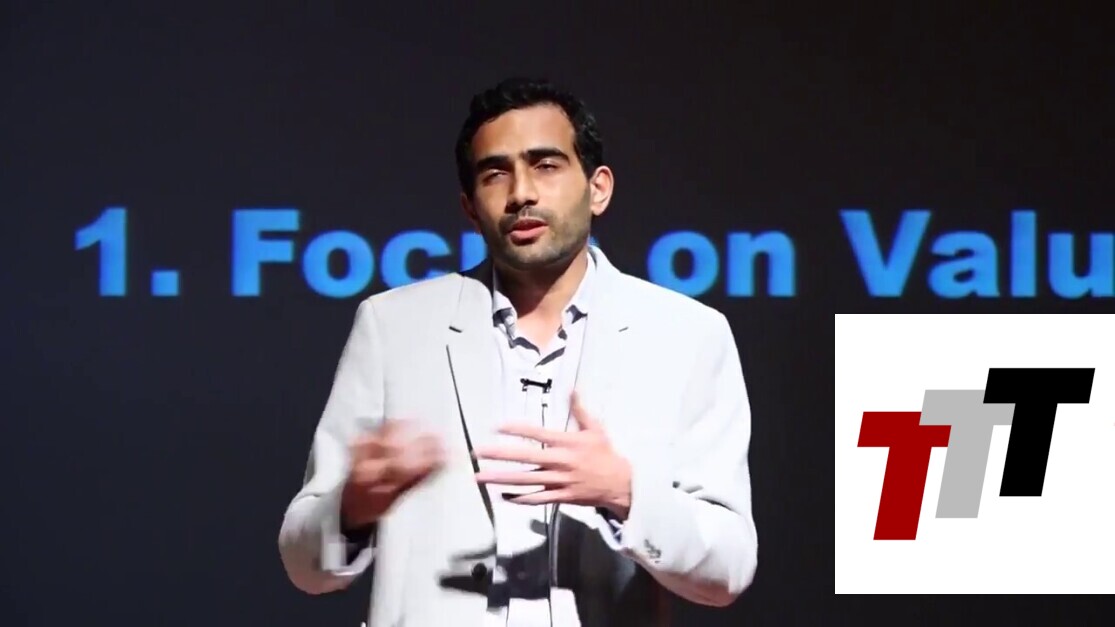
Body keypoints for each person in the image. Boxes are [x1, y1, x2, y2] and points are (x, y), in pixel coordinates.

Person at [278, 77, 758, 627]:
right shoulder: (393, 327)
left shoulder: (688, 334)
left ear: (598, 188)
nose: (521, 193)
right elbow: (302, 564)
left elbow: (729, 567)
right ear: (470, 207)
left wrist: (627, 494)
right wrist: (351, 509)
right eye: (495, 174)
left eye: (546, 165)